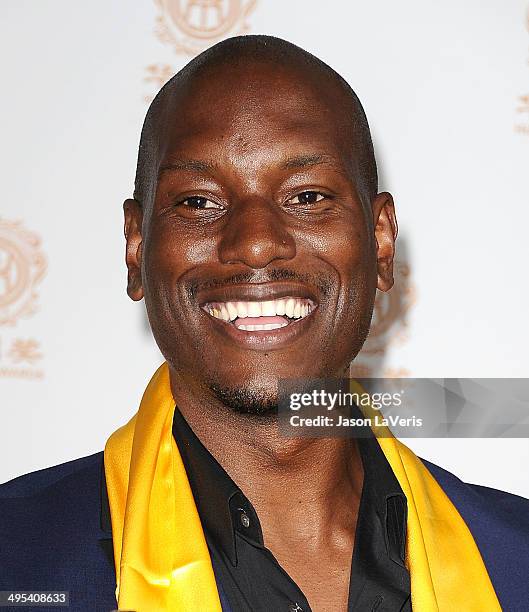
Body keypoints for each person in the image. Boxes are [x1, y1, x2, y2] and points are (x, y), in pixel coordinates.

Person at [1, 35, 528, 612]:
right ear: (136, 247)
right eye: (199, 202)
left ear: (380, 242)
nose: (255, 243)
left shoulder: (515, 561)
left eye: (307, 196)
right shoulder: (18, 560)